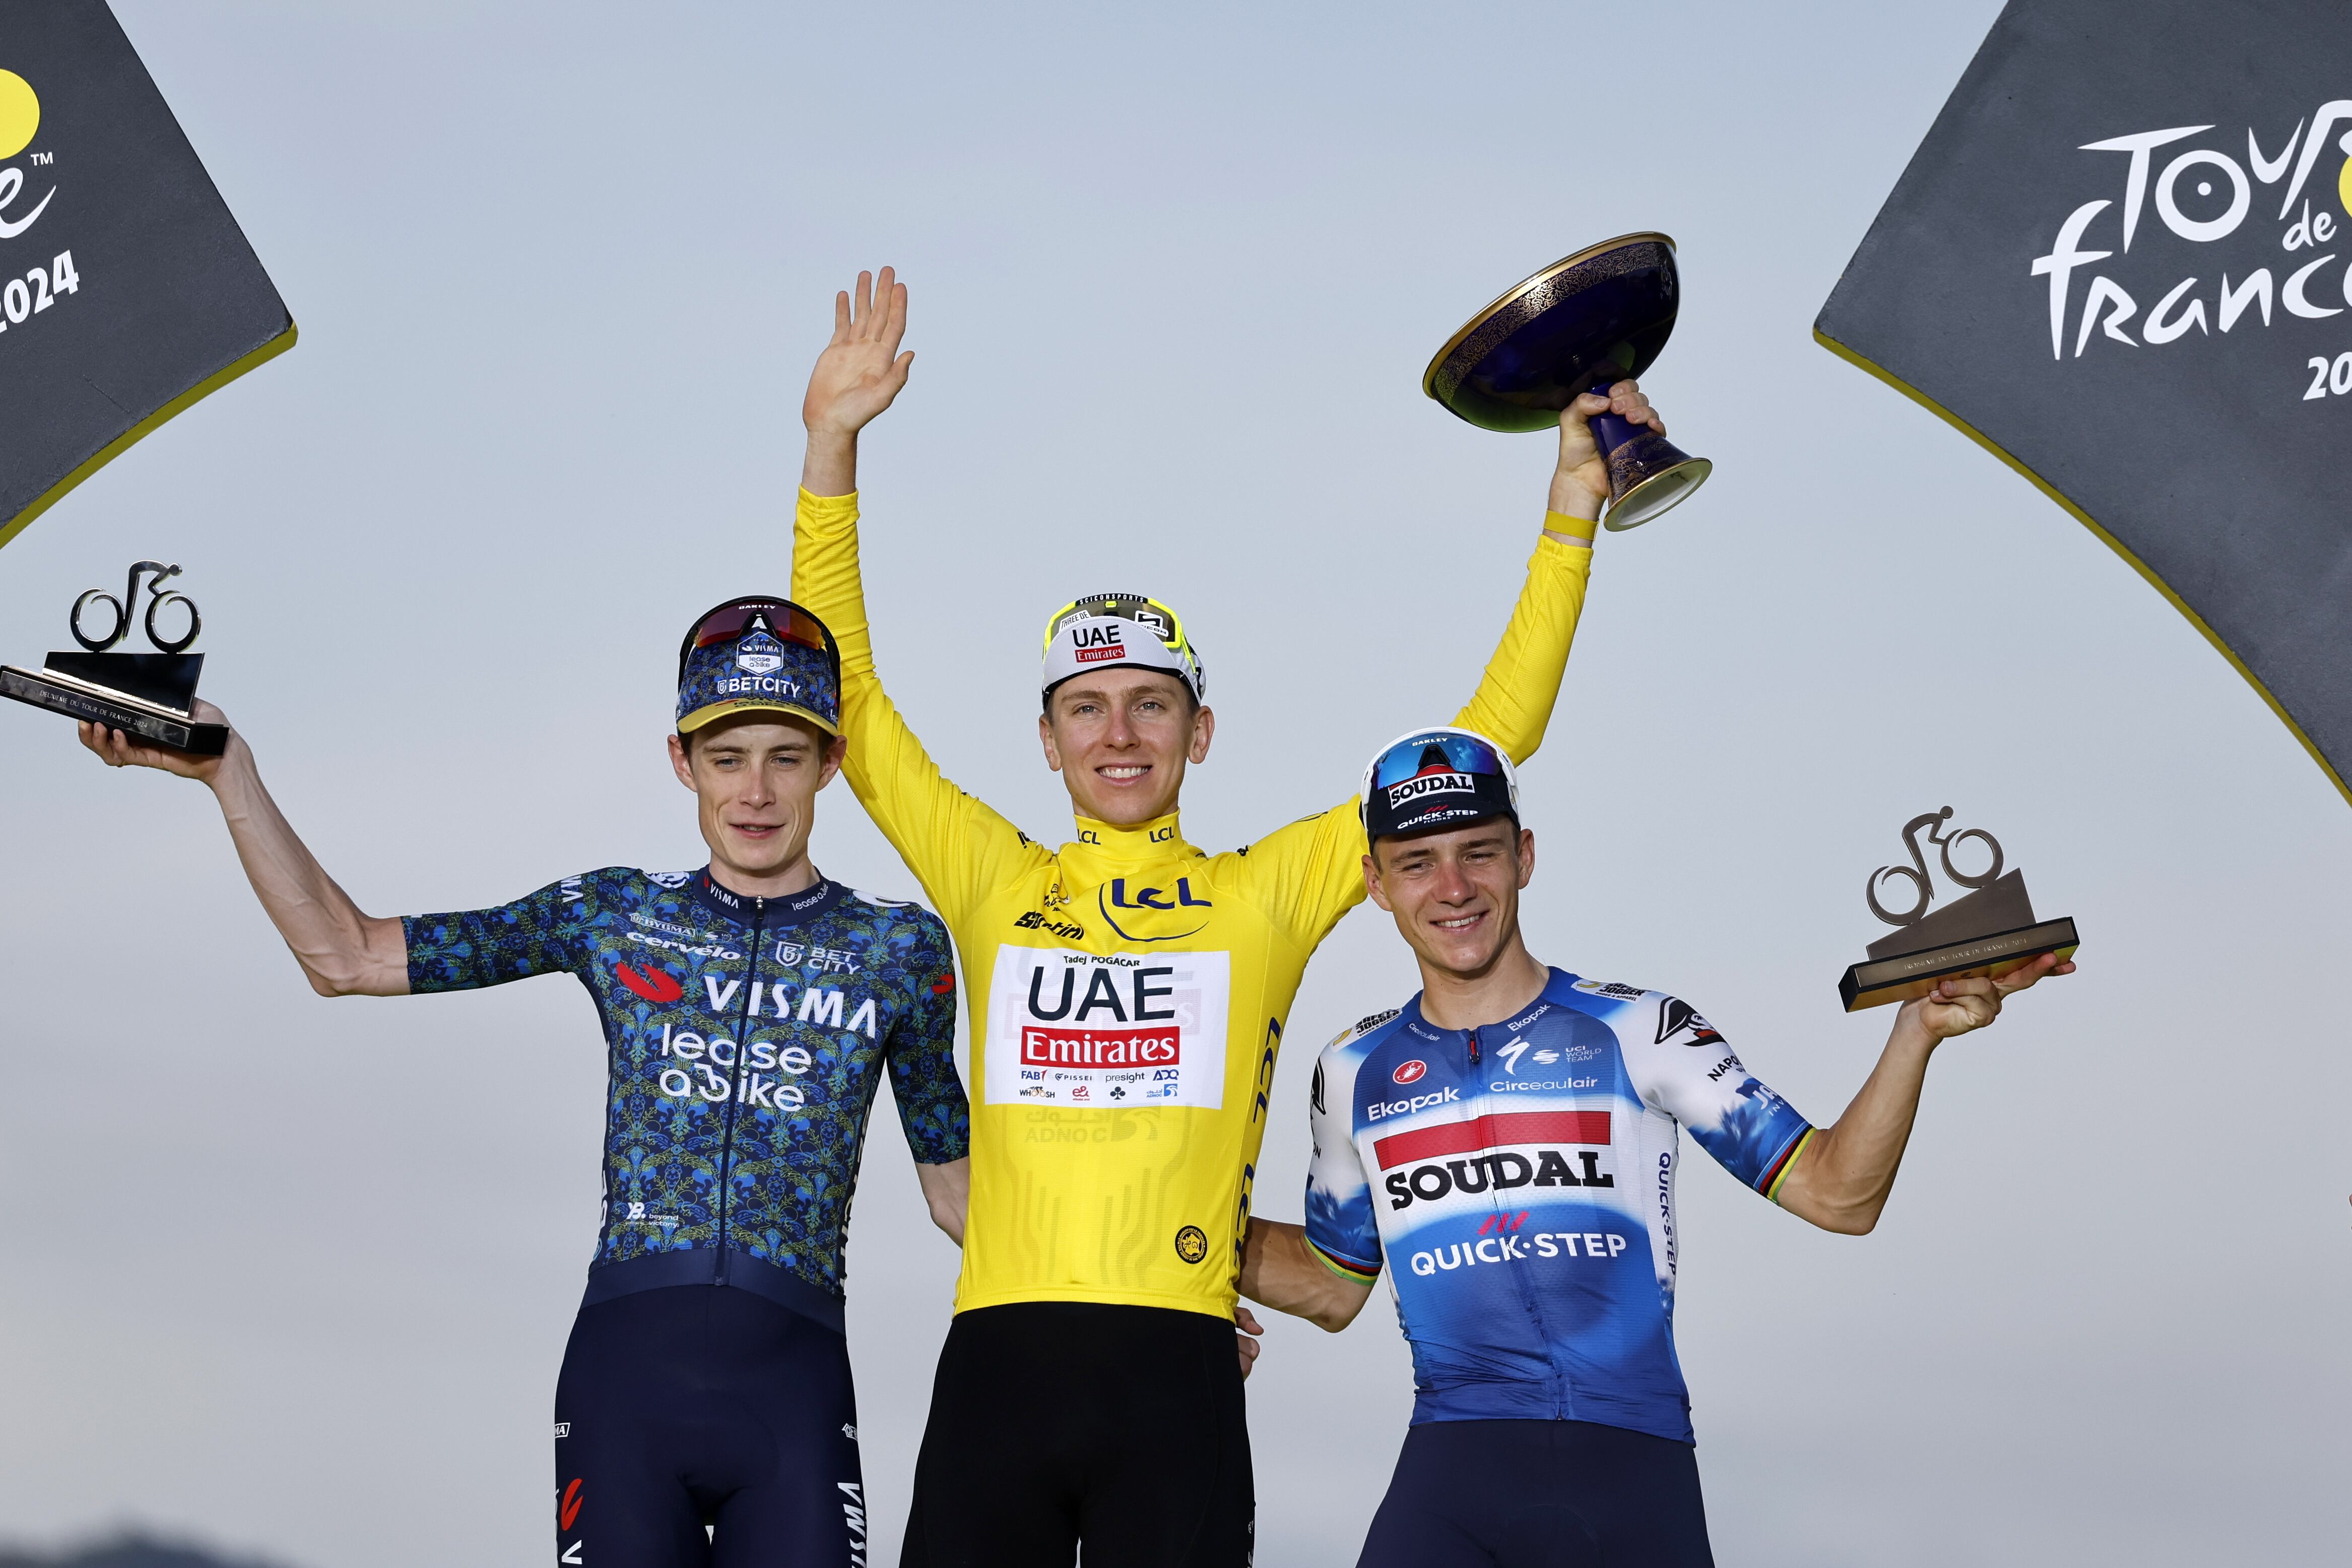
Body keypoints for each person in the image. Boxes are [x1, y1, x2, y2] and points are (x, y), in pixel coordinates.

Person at [791, 268, 1668, 1567]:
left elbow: (1485, 737)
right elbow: (845, 701)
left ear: (1200, 731)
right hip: (1000, 1361)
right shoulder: (995, 876)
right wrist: (831, 448)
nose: (1120, 731)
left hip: (1179, 1367)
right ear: (1046, 740)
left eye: (1152, 703)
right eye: (1086, 707)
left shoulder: (1260, 889)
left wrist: (1570, 512)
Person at [76, 596, 971, 1567]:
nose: (754, 790)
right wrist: (227, 773)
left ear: (830, 764)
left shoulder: (900, 948)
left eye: (785, 758)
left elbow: (959, 1192)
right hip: (627, 1384)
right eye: (726, 758)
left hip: (795, 1392)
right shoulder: (611, 912)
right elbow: (349, 955)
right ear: (682, 762)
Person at [1238, 726, 2073, 1566]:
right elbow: (1331, 1285)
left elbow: (1837, 1195)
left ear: (1524, 857)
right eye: (1417, 863)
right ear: (1376, 883)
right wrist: (1148, 1248)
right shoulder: (1353, 1070)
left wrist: (1916, 1034)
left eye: (1479, 853)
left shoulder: (1642, 1030)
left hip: (1630, 1477)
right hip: (1451, 1476)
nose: (1453, 888)